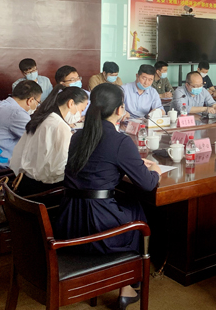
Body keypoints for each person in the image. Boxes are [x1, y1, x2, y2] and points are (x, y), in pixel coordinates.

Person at [54, 83, 161, 309]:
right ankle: (127, 284)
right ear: (120, 110)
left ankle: (126, 280)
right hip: (97, 228)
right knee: (137, 212)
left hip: (69, 221)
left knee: (129, 204)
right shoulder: (120, 141)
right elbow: (147, 184)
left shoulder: (77, 136)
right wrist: (156, 170)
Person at [9, 85, 89, 196]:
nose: (80, 115)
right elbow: (59, 169)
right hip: (42, 191)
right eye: (81, 110)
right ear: (71, 103)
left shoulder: (44, 117)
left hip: (25, 183)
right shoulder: (59, 126)